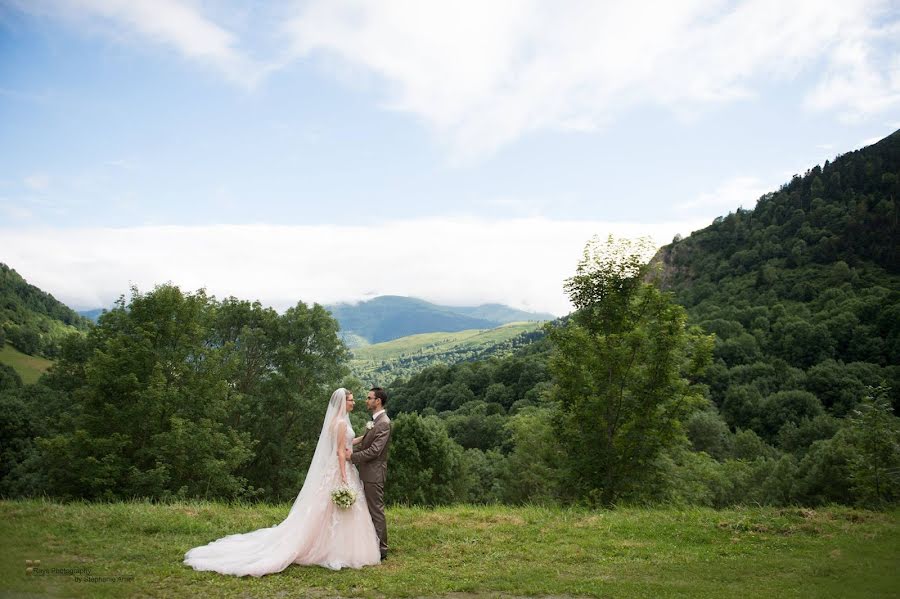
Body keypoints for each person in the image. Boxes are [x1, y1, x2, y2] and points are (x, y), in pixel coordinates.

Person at [183, 388, 380, 576]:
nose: (354, 402)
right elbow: (339, 451)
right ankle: (333, 547)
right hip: (340, 469)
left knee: (326, 509)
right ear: (342, 402)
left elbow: (345, 443)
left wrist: (365, 437)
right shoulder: (342, 423)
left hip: (338, 467)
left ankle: (332, 544)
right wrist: (344, 477)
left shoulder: (337, 422)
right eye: (351, 400)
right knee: (333, 508)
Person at [348, 386, 392, 561]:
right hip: (367, 472)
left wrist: (351, 457)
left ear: (378, 401)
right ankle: (370, 544)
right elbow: (366, 443)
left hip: (374, 474)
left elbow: (374, 451)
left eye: (369, 398)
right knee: (368, 510)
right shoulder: (374, 421)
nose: (366, 401)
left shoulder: (384, 423)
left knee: (376, 511)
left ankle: (382, 549)